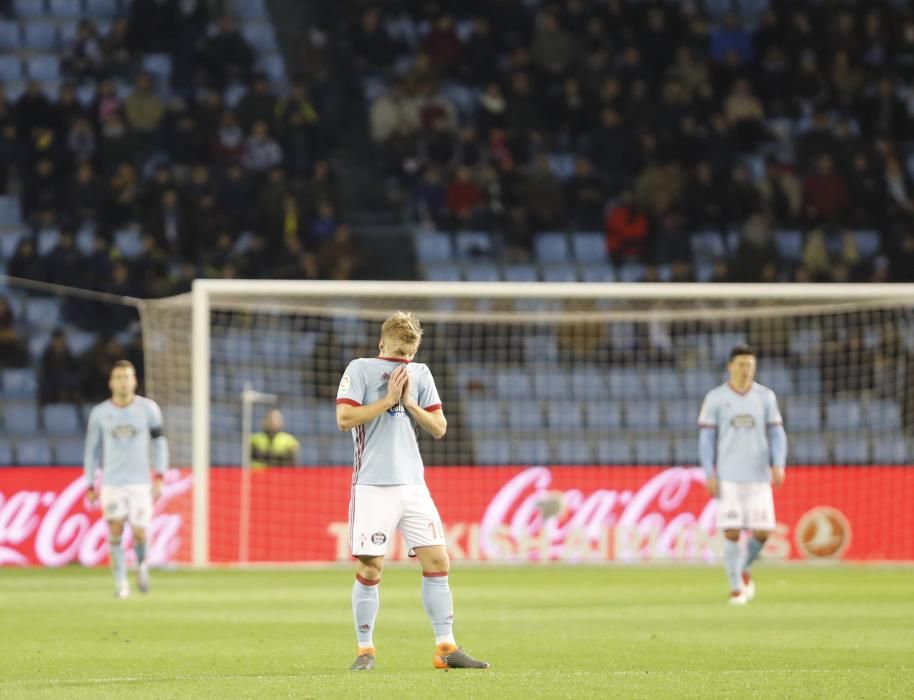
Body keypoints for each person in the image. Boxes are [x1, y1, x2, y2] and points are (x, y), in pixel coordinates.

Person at [335, 311, 489, 671]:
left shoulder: (420, 375)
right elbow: (344, 420)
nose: (401, 360)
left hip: (414, 486)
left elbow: (439, 427)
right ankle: (365, 651)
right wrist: (388, 400)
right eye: (396, 353)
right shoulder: (359, 369)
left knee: (438, 562)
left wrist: (410, 403)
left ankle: (445, 648)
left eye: (407, 354)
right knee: (372, 567)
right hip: (372, 485)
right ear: (382, 344)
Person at [698, 345, 788, 605]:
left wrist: (778, 464)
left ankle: (744, 566)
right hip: (728, 476)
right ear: (730, 366)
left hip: (759, 477)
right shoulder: (715, 398)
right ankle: (736, 587)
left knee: (762, 532)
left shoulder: (765, 397)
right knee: (731, 532)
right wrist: (709, 473)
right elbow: (706, 438)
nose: (745, 370)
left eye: (750, 365)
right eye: (741, 364)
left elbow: (776, 433)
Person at [83, 360, 169, 599]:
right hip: (112, 482)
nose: (123, 381)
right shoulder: (100, 413)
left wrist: (160, 475)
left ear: (134, 381)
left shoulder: (149, 410)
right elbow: (92, 450)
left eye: (127, 377)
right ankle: (121, 583)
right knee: (115, 529)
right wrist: (90, 482)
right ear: (111, 382)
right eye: (118, 377)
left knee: (140, 532)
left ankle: (141, 566)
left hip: (140, 483)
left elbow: (160, 443)